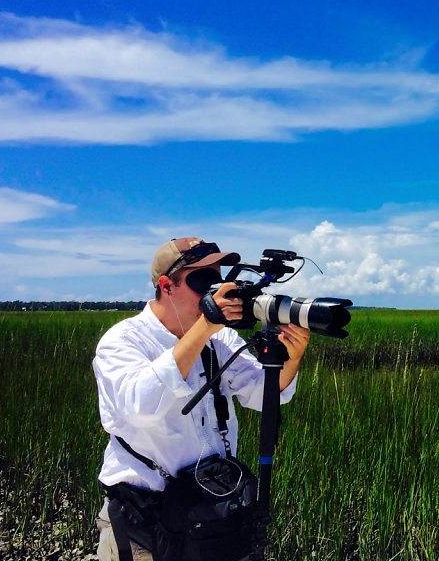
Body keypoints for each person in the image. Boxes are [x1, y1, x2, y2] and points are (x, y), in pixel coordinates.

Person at [93, 237, 310, 561]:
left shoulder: (219, 337)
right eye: (203, 281)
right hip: (145, 520)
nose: (215, 290)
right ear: (167, 285)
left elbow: (261, 393)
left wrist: (290, 359)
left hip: (211, 513)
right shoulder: (123, 341)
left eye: (219, 279)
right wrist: (205, 327)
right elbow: (140, 406)